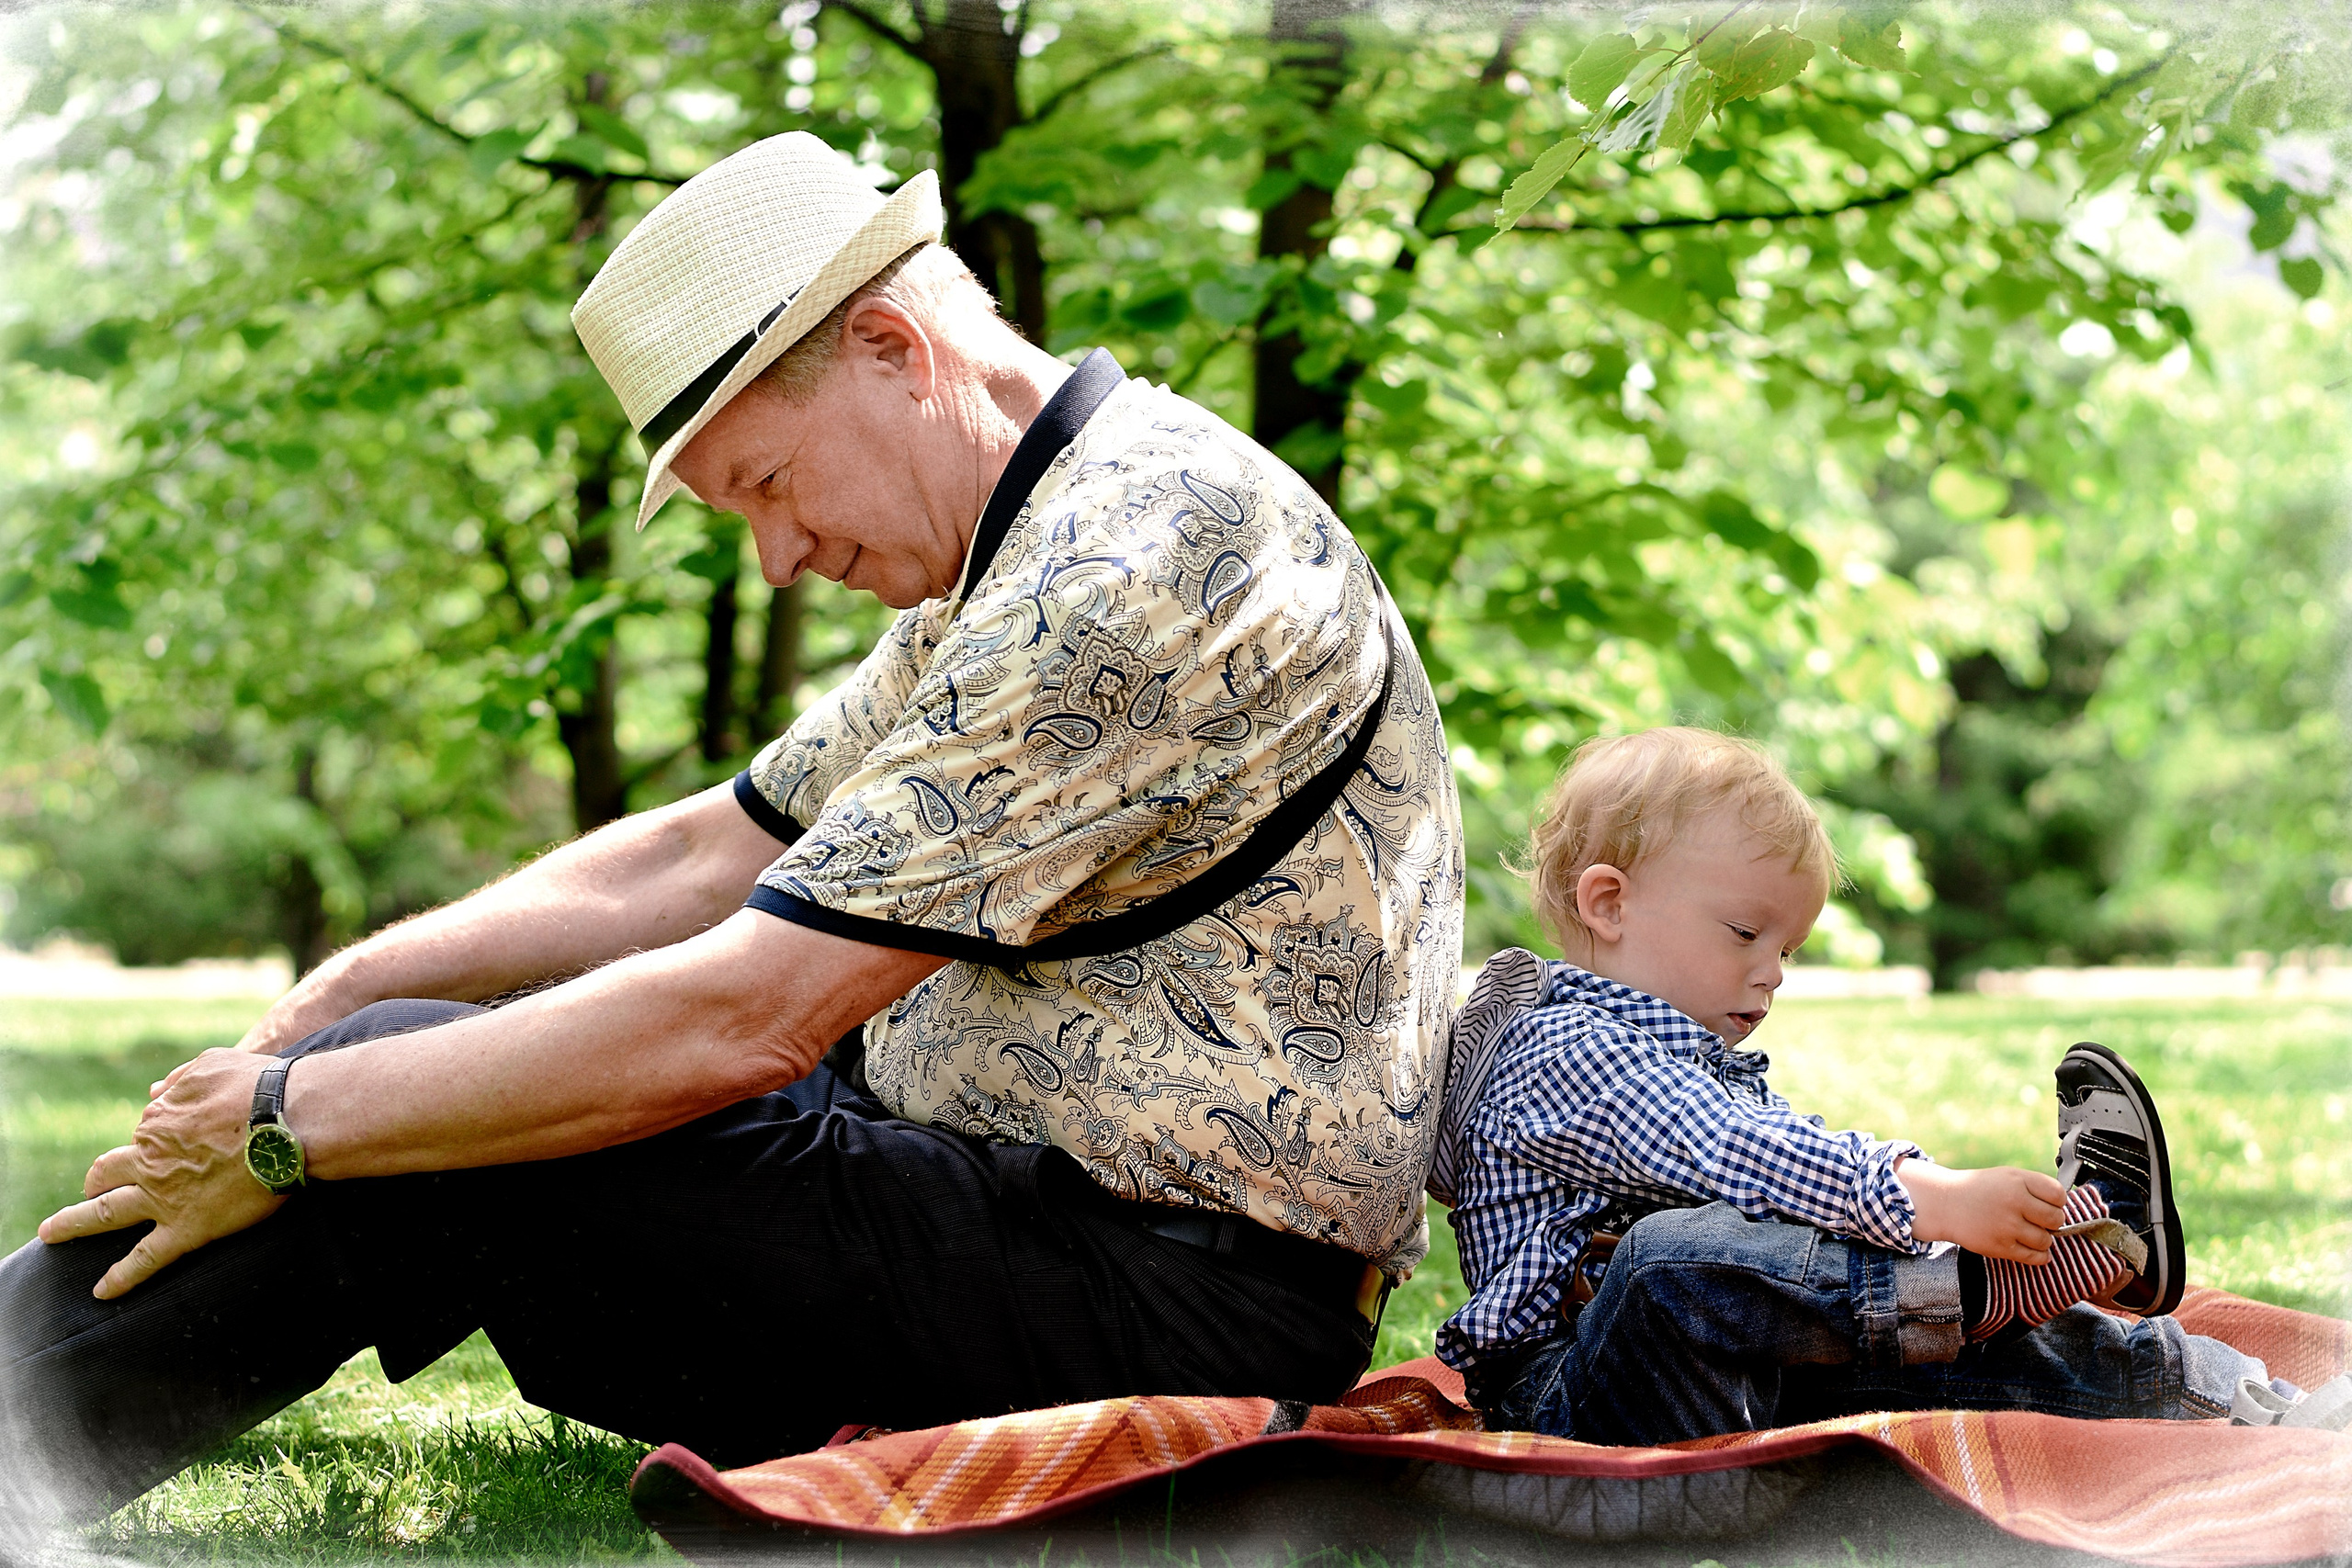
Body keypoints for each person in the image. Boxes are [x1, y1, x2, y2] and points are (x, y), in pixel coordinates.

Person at [0, 133, 1464, 1524]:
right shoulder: (1025, 542)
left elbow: (742, 1017)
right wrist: (323, 1008)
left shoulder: (1139, 567)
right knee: (392, 1059)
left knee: (393, 1104)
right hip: (1015, 1211)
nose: (775, 559)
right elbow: (710, 850)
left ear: (894, 348)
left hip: (1164, 1301)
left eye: (767, 482)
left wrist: (281, 1121)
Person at [1424, 727, 2350, 1445]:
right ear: (1608, 904)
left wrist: (1959, 1217)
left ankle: (2248, 1397)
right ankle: (1975, 1284)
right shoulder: (1562, 1049)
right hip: (1585, 1403)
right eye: (1745, 933)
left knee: (1944, 1338)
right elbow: (1754, 1158)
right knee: (1667, 1259)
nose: (1772, 973)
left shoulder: (1693, 1063)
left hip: (1740, 1395)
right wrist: (1938, 1198)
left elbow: (1800, 1210)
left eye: (1785, 949)